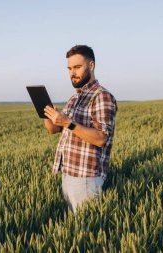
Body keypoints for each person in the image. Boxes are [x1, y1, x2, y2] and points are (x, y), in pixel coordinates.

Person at [43, 45, 117, 214]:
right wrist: (46, 114)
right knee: (77, 230)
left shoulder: (101, 96)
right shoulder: (74, 97)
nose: (72, 73)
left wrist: (69, 122)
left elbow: (101, 138)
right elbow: (54, 130)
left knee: (86, 228)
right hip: (68, 173)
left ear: (91, 66)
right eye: (69, 68)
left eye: (77, 67)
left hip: (86, 178)